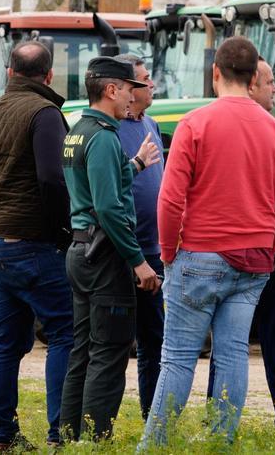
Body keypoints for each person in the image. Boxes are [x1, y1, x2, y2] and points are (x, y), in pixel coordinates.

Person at [140, 37, 275, 447]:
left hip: (198, 254)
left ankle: (154, 444)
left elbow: (171, 199)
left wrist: (169, 253)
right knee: (232, 356)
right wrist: (270, 246)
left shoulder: (195, 124)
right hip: (254, 261)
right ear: (252, 79)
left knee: (177, 357)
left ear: (216, 73)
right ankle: (219, 441)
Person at [0, 41, 74, 450]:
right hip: (30, 243)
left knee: (7, 342)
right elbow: (52, 179)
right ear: (48, 77)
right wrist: (62, 231)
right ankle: (59, 434)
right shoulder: (46, 114)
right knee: (65, 332)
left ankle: (4, 436)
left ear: (9, 71)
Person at [59, 56, 160, 442]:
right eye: (129, 91)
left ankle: (67, 437)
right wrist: (138, 261)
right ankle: (94, 439)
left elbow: (104, 182)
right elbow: (107, 206)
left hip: (81, 251)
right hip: (105, 259)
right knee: (110, 352)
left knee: (82, 351)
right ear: (111, 89)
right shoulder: (102, 137)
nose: (132, 100)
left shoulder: (79, 131)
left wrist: (134, 165)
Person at [210, 57, 275, 427]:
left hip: (267, 251)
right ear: (250, 84)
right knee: (230, 340)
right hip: (256, 250)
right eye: (269, 83)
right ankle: (222, 413)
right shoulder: (266, 132)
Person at [113, 54, 166, 419]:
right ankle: (101, 422)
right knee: (115, 345)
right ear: (128, 89)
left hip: (155, 251)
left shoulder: (154, 125)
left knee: (155, 343)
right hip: (121, 253)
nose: (152, 86)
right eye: (145, 80)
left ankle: (153, 418)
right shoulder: (110, 131)